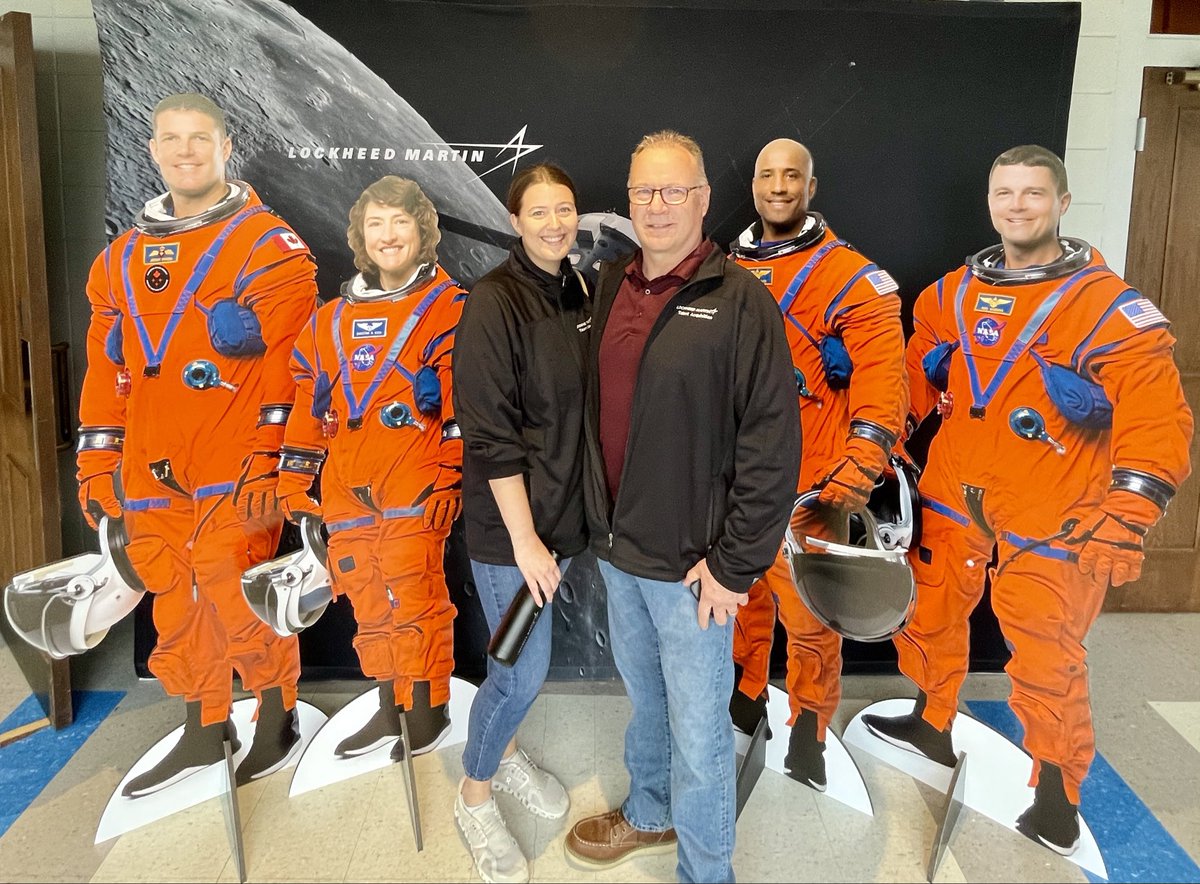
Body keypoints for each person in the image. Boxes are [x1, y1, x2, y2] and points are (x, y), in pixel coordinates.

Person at [862, 145, 1193, 856]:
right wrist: (886, 439)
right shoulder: (952, 293)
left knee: (1045, 650)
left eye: (1033, 193)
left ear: (1062, 203)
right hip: (957, 487)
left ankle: (1055, 792)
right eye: (1004, 192)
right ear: (989, 201)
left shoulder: (1104, 306)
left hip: (1053, 503)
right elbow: (916, 375)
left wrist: (1127, 515)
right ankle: (933, 720)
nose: (1017, 206)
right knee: (930, 609)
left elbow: (1158, 417)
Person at [565, 131, 800, 883]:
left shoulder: (740, 301)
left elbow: (772, 446)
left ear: (702, 198)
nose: (657, 206)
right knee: (646, 703)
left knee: (701, 734)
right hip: (619, 553)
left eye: (673, 191)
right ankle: (649, 814)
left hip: (696, 570)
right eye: (643, 193)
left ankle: (706, 872)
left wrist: (735, 568)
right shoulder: (608, 286)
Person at [76, 92, 317, 795]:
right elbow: (105, 372)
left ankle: (276, 716)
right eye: (171, 139)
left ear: (225, 145)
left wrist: (274, 461)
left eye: (199, 138)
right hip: (151, 463)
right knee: (171, 597)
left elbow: (294, 365)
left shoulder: (267, 245)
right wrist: (97, 465)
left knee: (233, 590)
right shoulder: (120, 259)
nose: (185, 151)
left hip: (235, 457)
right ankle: (203, 726)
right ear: (152, 149)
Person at [727, 138, 908, 791]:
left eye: (792, 175)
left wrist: (861, 462)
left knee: (809, 620)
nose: (778, 186)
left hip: (813, 486)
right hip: (740, 484)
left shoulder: (852, 277)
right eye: (767, 174)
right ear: (753, 184)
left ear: (812, 184)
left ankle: (808, 730)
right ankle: (746, 698)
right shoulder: (726, 270)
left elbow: (885, 376)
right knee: (741, 603)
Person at [273, 176, 466, 760]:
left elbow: (463, 402)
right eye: (376, 224)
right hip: (345, 479)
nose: (388, 236)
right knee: (365, 594)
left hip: (412, 471)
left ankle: (427, 709)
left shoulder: (446, 307)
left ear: (422, 232)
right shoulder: (329, 320)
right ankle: (390, 705)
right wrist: (292, 476)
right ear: (360, 235)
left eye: (401, 222)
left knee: (414, 593)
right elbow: (310, 399)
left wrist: (452, 474)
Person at [451, 163, 590, 884]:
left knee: (520, 667)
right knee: (519, 672)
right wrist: (527, 540)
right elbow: (490, 435)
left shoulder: (575, 289)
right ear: (515, 220)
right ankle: (475, 792)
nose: (555, 223)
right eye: (539, 212)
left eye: (564, 209)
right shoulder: (494, 301)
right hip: (513, 534)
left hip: (561, 522)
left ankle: (503, 757)